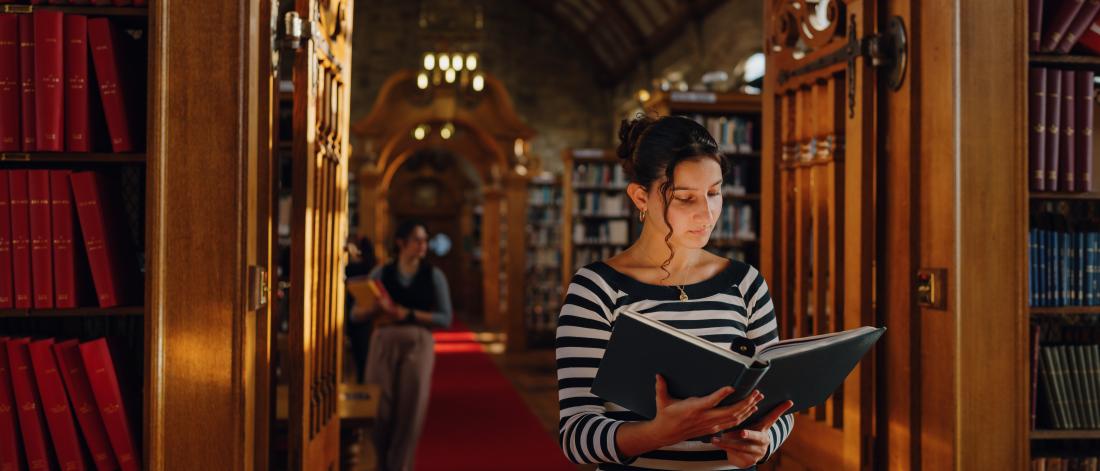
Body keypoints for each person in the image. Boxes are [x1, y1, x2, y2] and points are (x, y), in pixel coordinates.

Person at [556, 114, 795, 470]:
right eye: (685, 198)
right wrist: (656, 433)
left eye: (714, 193)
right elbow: (576, 435)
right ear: (641, 197)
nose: (707, 213)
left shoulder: (746, 284)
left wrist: (761, 442)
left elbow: (778, 407)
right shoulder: (596, 290)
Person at [364, 219, 453, 471]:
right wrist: (372, 307)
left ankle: (400, 466)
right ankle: (382, 462)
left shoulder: (434, 275)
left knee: (410, 411)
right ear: (401, 242)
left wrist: (408, 314)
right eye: (418, 240)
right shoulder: (381, 273)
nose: (424, 245)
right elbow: (354, 315)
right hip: (383, 340)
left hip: (418, 341)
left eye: (426, 240)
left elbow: (445, 318)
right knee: (379, 409)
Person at [345, 236, 377, 383]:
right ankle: (364, 378)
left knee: (360, 350)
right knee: (365, 349)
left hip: (356, 310)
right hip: (369, 313)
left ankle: (362, 379)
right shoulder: (373, 265)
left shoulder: (354, 268)